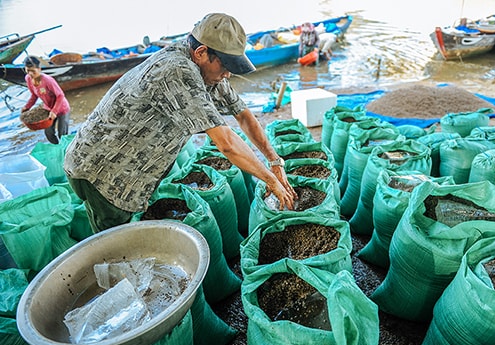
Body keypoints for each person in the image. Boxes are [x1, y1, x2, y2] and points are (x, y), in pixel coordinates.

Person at [64, 13, 297, 233]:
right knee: (115, 242)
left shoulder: (208, 69)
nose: (228, 75)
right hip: (103, 171)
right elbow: (226, 143)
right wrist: (270, 180)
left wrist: (274, 160)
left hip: (133, 164)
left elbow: (243, 115)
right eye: (226, 67)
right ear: (202, 52)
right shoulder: (176, 70)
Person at [21, 55, 70, 144]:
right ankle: (57, 147)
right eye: (28, 71)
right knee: (49, 133)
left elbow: (60, 95)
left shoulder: (47, 80)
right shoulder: (28, 79)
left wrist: (54, 111)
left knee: (62, 134)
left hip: (62, 108)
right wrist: (26, 107)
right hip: (48, 108)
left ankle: (65, 150)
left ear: (39, 69)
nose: (30, 74)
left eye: (33, 71)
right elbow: (34, 95)